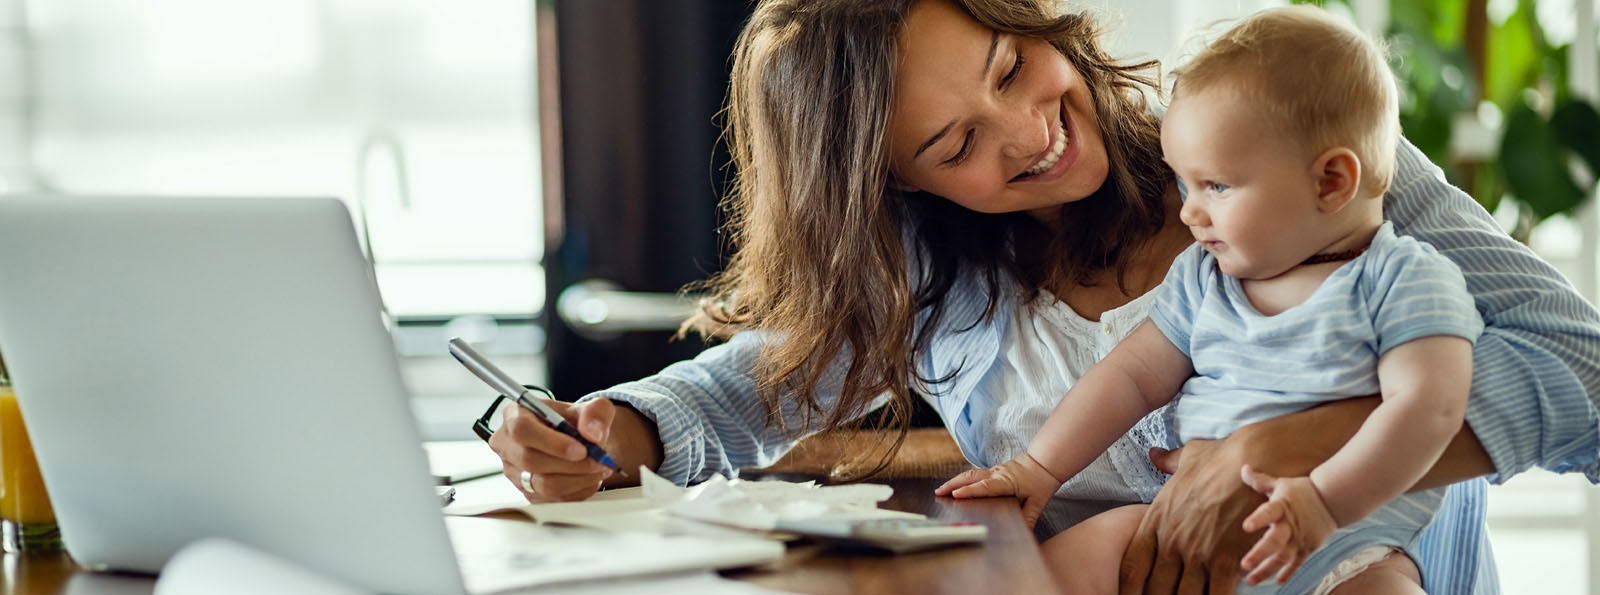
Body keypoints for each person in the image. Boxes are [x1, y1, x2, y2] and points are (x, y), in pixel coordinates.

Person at [485, 1, 1600, 593]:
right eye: (956, 140)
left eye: (1011, 65)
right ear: (893, 184)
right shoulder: (931, 268)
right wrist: (607, 428)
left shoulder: (1289, 150)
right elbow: (744, 387)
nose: (1029, 131)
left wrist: (1296, 442)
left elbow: (1586, 378)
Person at [937, 7, 1479, 593]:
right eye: (1184, 184)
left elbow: (1432, 413)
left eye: (1215, 186)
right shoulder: (1206, 278)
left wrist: (1323, 503)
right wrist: (1039, 468)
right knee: (1070, 563)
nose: (1190, 212)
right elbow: (1131, 377)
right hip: (1180, 530)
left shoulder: (1404, 281)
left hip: (1348, 547)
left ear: (1330, 183)